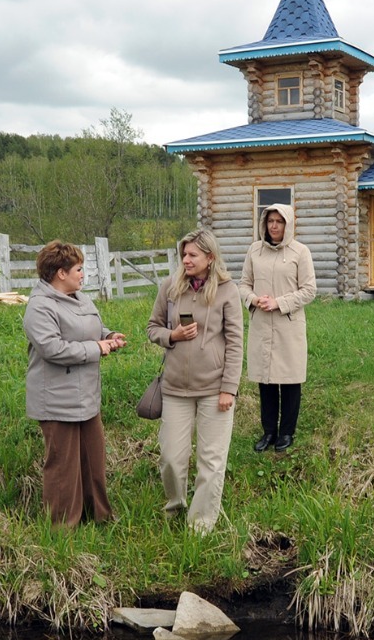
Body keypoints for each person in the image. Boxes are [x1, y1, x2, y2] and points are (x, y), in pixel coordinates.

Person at [147, 228, 243, 534]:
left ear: (210, 258)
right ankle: (175, 507)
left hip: (214, 389)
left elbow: (235, 342)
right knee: (171, 459)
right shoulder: (170, 288)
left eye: (192, 255)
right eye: (183, 255)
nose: (186, 260)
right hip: (175, 388)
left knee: (211, 461)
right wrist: (171, 335)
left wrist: (229, 388)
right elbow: (152, 327)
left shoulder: (228, 291)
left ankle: (201, 525)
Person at [23, 241, 126, 527]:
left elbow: (89, 329)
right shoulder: (39, 307)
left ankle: (99, 519)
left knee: (93, 461)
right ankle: (62, 530)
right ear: (60, 273)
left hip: (86, 398)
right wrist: (97, 348)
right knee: (62, 468)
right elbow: (52, 348)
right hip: (56, 401)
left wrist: (110, 336)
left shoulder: (81, 298)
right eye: (79, 269)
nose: (83, 274)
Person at [238, 203, 316, 453]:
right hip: (262, 324)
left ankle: (286, 432)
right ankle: (269, 431)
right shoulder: (254, 250)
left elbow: (309, 290)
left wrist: (279, 303)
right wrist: (253, 299)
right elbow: (243, 284)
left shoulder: (300, 252)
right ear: (264, 223)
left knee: (290, 380)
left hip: (288, 325)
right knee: (266, 380)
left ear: (288, 224)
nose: (274, 226)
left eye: (279, 221)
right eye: (270, 221)